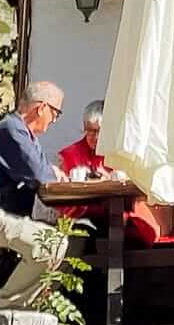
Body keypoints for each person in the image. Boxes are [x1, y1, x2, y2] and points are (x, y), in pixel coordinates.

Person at [0, 81, 70, 308]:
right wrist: (54, 174)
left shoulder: (23, 135)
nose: (54, 121)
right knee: (51, 245)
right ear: (42, 108)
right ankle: (1, 309)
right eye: (56, 114)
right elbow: (41, 175)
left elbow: (41, 170)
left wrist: (52, 173)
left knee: (59, 243)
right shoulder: (11, 130)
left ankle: (17, 307)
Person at [56, 99, 160, 244]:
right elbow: (62, 200)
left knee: (124, 232)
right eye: (91, 131)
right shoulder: (70, 155)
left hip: (126, 216)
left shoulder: (123, 153)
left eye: (100, 131)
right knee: (81, 234)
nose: (96, 137)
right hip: (84, 217)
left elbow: (138, 189)